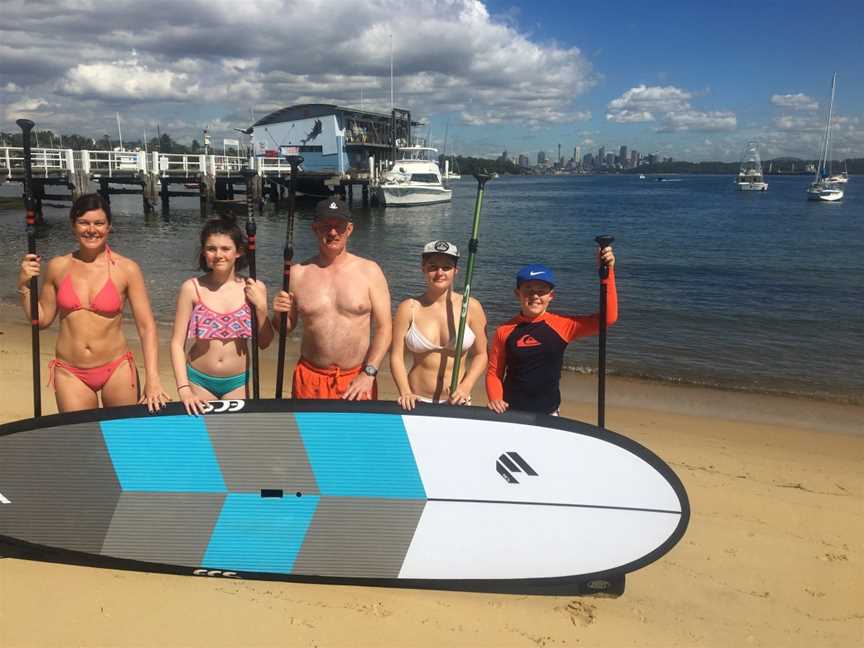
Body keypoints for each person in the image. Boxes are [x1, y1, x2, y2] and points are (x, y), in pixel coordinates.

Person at [16, 193, 169, 413]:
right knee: (81, 440)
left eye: (99, 223)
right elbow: (41, 320)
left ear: (109, 227)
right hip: (70, 372)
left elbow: (147, 327)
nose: (91, 229)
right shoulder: (58, 267)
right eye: (84, 223)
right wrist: (24, 287)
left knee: (122, 439)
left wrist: (153, 379)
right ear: (73, 225)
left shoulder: (126, 269)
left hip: (117, 368)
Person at [272, 197, 391, 400]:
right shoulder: (297, 273)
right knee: (308, 432)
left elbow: (385, 328)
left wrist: (369, 373)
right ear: (314, 229)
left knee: (356, 433)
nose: (333, 232)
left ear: (350, 229)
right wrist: (277, 313)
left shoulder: (370, 271)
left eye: (339, 227)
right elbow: (285, 328)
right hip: (310, 378)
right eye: (326, 226)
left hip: (357, 379)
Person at [486, 245, 617, 416]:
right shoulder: (504, 331)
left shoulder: (563, 326)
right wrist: (495, 398)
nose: (535, 296)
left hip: (549, 413)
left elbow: (608, 318)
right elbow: (494, 373)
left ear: (551, 296)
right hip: (510, 412)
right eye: (528, 290)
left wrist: (608, 273)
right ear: (517, 293)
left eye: (541, 291)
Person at [170, 216, 273, 415]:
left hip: (237, 381)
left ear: (239, 252)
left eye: (226, 249)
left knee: (232, 438)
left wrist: (261, 307)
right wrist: (183, 389)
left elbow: (265, 342)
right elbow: (176, 343)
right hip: (198, 379)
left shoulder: (253, 287)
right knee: (202, 438)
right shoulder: (191, 288)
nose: (218, 255)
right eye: (211, 248)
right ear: (203, 252)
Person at [390, 241, 488, 410]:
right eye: (433, 267)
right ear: (423, 268)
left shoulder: (471, 306)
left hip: (458, 401)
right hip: (416, 400)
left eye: (447, 267)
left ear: (456, 271)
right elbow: (396, 356)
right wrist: (405, 391)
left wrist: (466, 386)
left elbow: (481, 355)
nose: (439, 273)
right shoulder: (409, 308)